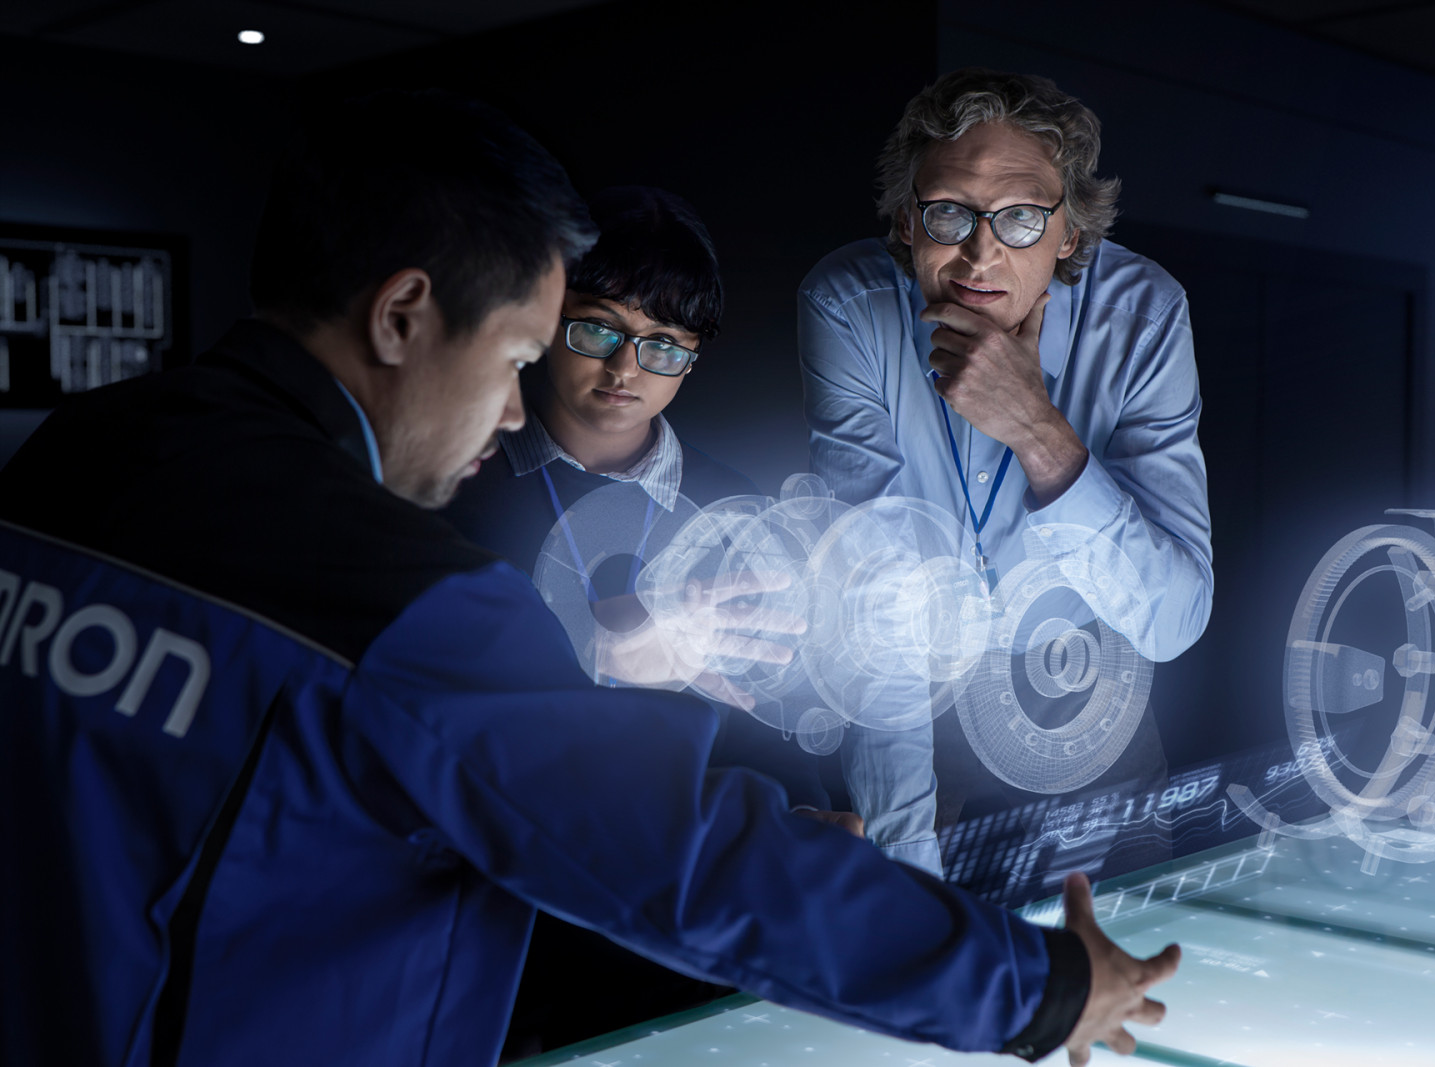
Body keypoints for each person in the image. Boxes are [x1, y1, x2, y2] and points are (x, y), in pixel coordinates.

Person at [0, 89, 1178, 1067]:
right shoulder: (414, 600)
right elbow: (693, 857)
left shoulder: (65, 456)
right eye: (523, 352)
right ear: (405, 314)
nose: (517, 404)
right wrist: (1036, 986)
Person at [444, 184, 849, 1053]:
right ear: (550, 319)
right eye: (598, 330)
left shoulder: (734, 507)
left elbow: (770, 706)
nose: (625, 370)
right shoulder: (456, 480)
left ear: (693, 361)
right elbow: (431, 701)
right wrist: (607, 655)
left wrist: (808, 811)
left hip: (689, 915)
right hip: (514, 919)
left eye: (663, 347)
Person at [798, 68, 1214, 877]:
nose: (981, 252)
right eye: (949, 212)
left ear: (1069, 235)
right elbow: (874, 595)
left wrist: (1037, 428)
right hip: (919, 700)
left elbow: (1173, 617)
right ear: (905, 221)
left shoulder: (1145, 314)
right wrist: (902, 871)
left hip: (1091, 698)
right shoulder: (848, 305)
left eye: (1022, 217)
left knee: (1104, 982)